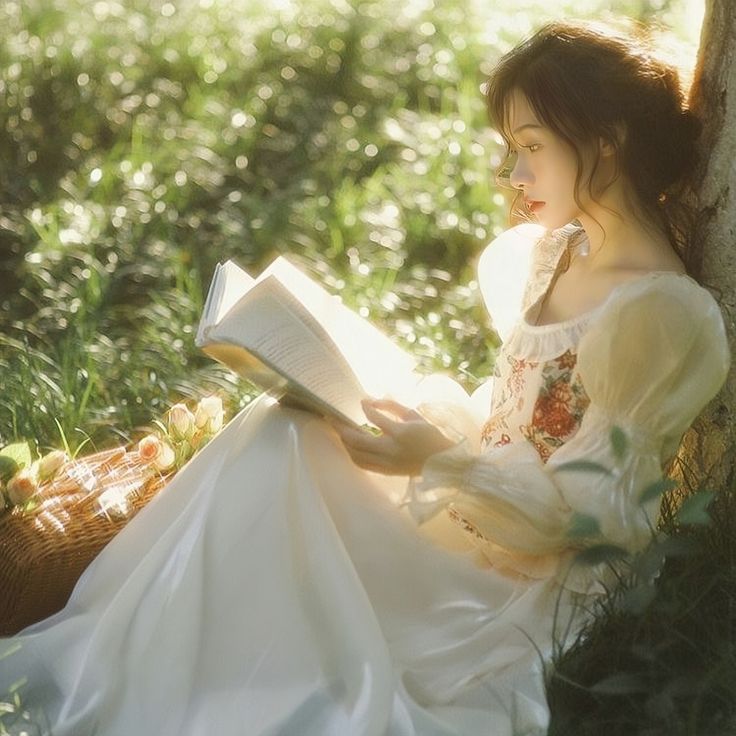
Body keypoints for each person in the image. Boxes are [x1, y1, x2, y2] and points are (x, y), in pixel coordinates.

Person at [0, 19, 729, 736]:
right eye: (513, 151)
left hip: (522, 586)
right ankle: (138, 655)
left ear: (609, 139)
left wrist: (441, 461)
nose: (514, 176)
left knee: (285, 461)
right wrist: (407, 419)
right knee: (284, 427)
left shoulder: (656, 311)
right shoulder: (554, 253)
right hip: (474, 505)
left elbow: (599, 523)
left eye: (533, 148)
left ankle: (180, 678)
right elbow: (514, 410)